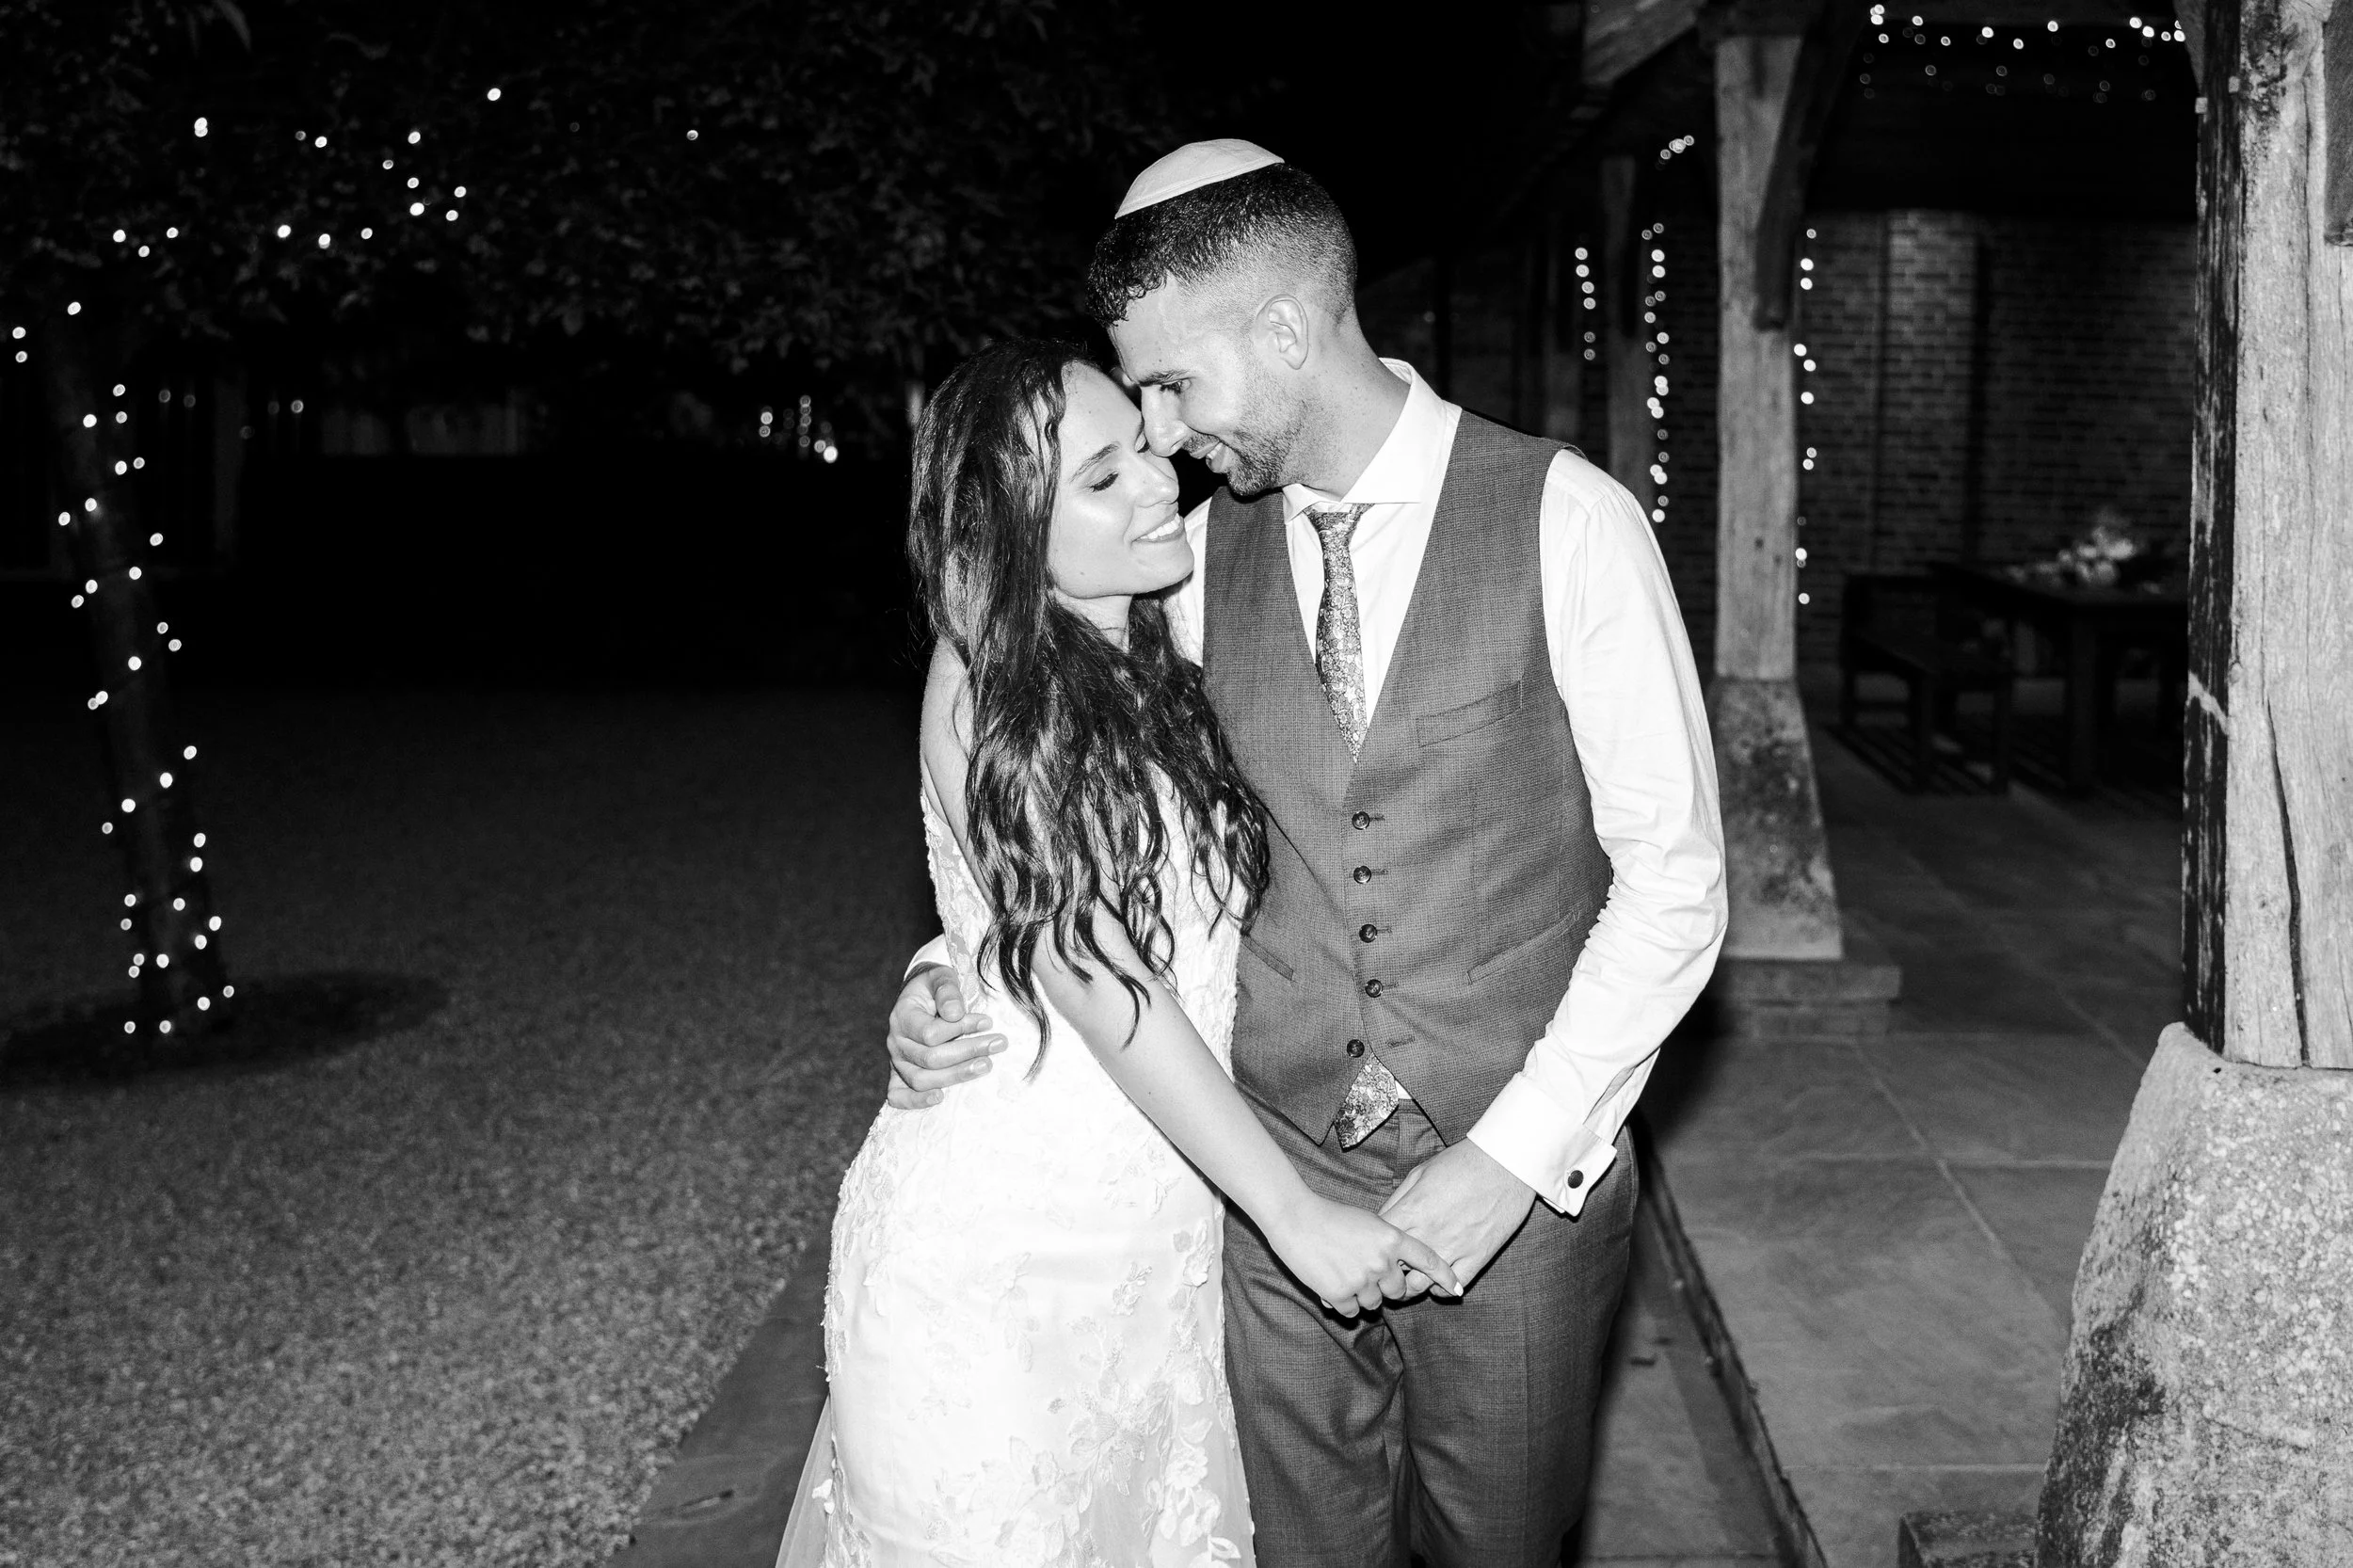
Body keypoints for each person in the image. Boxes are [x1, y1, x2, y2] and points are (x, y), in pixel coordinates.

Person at [886, 142, 1728, 1567]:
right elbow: (1062, 807)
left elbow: (1678, 886)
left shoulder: (1573, 522)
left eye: (1167, 385)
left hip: (1519, 1201)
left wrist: (1511, 1158)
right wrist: (954, 964)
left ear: (1284, 331)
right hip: (1262, 1196)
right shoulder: (1189, 564)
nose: (1158, 438)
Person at [777, 337, 1458, 1568]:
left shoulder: (1158, 629)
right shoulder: (986, 688)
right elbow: (1098, 968)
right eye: (1102, 478)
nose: (1158, 484)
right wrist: (1294, 1211)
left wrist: (938, 965)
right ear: (1010, 533)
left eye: (1144, 447)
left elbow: (1009, 909)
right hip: (1000, 1269)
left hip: (1156, 1253)